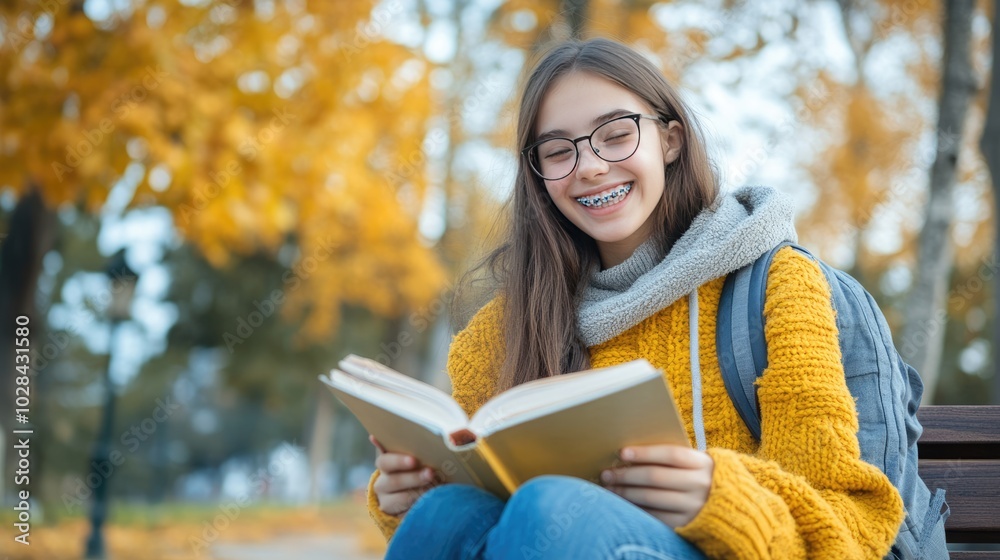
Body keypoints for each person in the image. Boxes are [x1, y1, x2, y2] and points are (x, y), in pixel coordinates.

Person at [365, 37, 905, 559]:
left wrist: (721, 498)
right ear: (539, 176)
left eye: (616, 135)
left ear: (670, 140)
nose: (591, 166)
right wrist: (409, 498)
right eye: (557, 151)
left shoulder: (777, 286)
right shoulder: (499, 333)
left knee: (547, 506)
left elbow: (852, 526)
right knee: (446, 514)